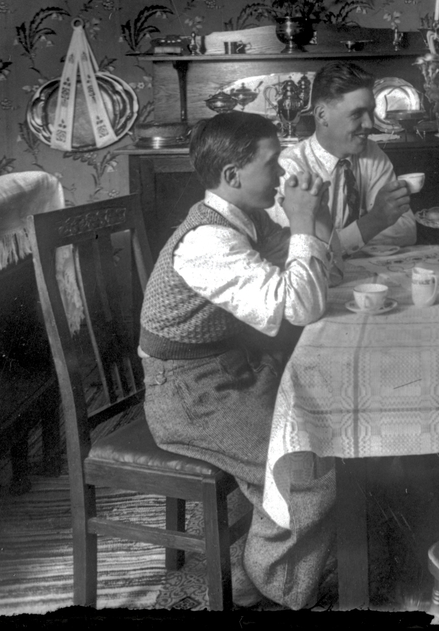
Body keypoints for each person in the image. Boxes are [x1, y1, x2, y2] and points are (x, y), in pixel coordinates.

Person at [138, 112, 340, 609]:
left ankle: (282, 557)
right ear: (232, 175)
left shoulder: (246, 218)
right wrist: (302, 223)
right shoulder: (208, 241)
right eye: (272, 164)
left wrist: (310, 220)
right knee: (308, 469)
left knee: (333, 420)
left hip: (234, 366)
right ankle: (262, 583)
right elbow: (301, 306)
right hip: (187, 391)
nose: (282, 173)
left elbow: (315, 274)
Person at [269, 61, 416, 255]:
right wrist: (373, 222)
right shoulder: (290, 168)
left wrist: (337, 241)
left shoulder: (372, 153)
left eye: (370, 112)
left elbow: (406, 230)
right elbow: (301, 250)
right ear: (322, 115)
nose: (369, 123)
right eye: (357, 114)